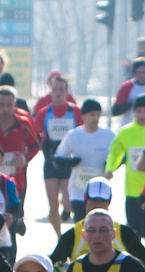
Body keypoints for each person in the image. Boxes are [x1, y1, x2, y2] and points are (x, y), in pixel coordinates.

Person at [50, 177, 145, 266]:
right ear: (85, 199)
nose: (97, 204)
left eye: (102, 200)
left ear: (109, 201)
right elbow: (49, 267)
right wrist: (58, 270)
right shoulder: (72, 235)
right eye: (93, 199)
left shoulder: (125, 233)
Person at [106, 96, 145, 238]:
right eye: (138, 111)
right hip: (132, 190)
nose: (142, 115)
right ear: (133, 112)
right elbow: (115, 153)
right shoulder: (124, 132)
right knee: (134, 229)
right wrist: (110, 169)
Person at [52, 99, 114, 221]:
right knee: (81, 223)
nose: (95, 118)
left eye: (98, 114)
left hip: (100, 190)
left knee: (99, 223)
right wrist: (71, 162)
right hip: (78, 188)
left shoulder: (109, 135)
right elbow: (58, 158)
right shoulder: (73, 135)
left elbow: (120, 156)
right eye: (91, 114)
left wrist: (111, 166)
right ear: (83, 116)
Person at [34, 77, 82, 235]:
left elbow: (84, 131)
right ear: (50, 91)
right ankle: (59, 237)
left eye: (62, 89)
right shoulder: (44, 112)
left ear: (67, 92)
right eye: (55, 89)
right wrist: (42, 143)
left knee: (68, 203)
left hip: (69, 161)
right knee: (53, 204)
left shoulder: (74, 111)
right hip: (51, 161)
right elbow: (34, 133)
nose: (58, 93)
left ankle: (67, 211)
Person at [111, 59, 145, 125]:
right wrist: (133, 103)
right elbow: (115, 111)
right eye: (139, 72)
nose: (142, 75)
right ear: (134, 73)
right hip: (128, 126)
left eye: (144, 72)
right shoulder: (126, 87)